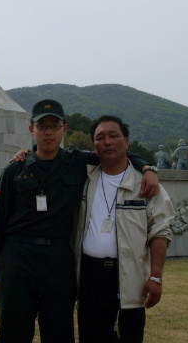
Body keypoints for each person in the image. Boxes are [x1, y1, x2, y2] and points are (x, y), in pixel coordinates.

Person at [0, 99, 159, 343]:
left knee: (59, 332)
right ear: (31, 130)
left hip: (58, 260)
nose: (48, 132)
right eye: (42, 126)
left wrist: (147, 167)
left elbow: (117, 151)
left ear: (64, 129)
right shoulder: (14, 170)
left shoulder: (78, 163)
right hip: (18, 258)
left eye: (54, 126)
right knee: (13, 333)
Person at [75, 115, 175, 342]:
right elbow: (50, 156)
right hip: (89, 279)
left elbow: (160, 231)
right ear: (94, 146)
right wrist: (23, 154)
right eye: (100, 138)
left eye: (113, 136)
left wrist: (156, 277)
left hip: (128, 279)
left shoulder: (146, 183)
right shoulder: (84, 177)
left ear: (127, 142)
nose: (107, 142)